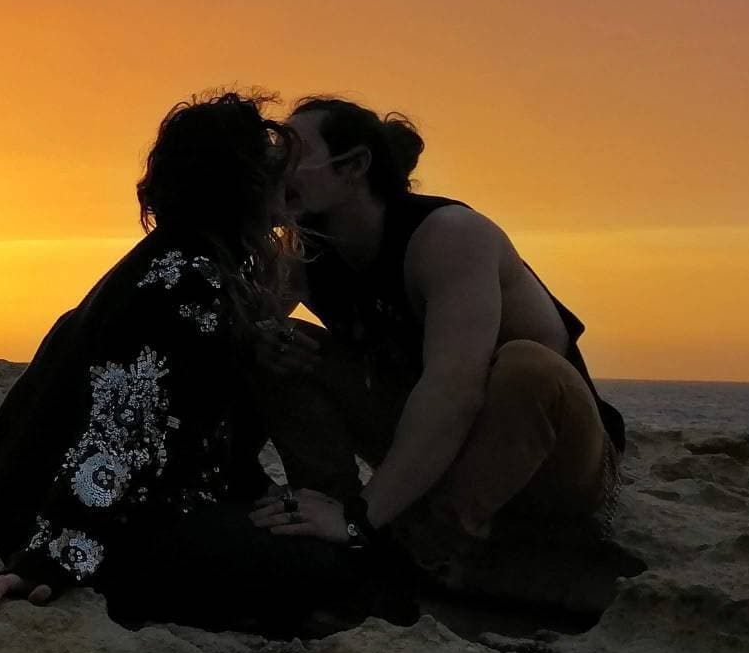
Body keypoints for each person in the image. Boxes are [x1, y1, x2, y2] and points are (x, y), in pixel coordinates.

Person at [0, 91, 387, 637]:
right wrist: (47, 563)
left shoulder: (197, 265)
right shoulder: (182, 283)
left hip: (143, 500)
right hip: (98, 523)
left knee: (300, 540)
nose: (282, 176)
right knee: (333, 569)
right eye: (266, 164)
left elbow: (190, 416)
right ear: (237, 185)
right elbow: (118, 437)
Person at [251, 96, 624, 564]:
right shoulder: (308, 252)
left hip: (548, 462)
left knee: (527, 367)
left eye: (293, 155)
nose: (275, 167)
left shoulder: (449, 236)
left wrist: (365, 519)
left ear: (354, 166)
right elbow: (246, 325)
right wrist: (263, 335)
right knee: (285, 341)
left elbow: (454, 392)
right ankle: (323, 515)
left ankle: (431, 541)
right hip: (436, 449)